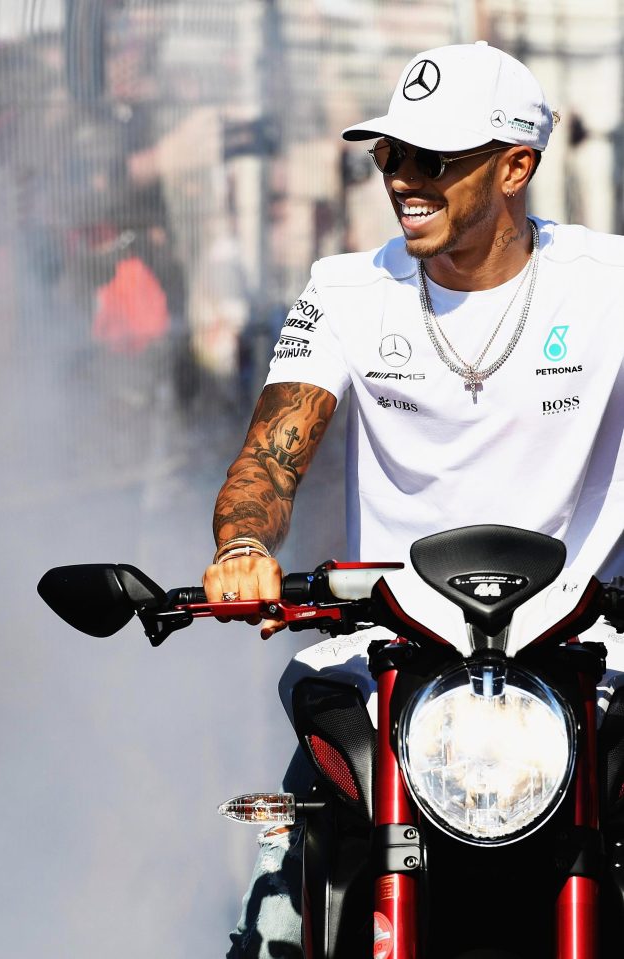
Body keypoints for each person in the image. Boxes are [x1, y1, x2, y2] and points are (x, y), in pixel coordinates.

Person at [202, 41, 624, 957]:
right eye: (389, 154)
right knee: (280, 902)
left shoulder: (609, 287)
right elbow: (268, 462)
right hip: (391, 653)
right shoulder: (345, 292)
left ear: (516, 166)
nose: (402, 179)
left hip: (587, 659)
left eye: (433, 158)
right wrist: (243, 547)